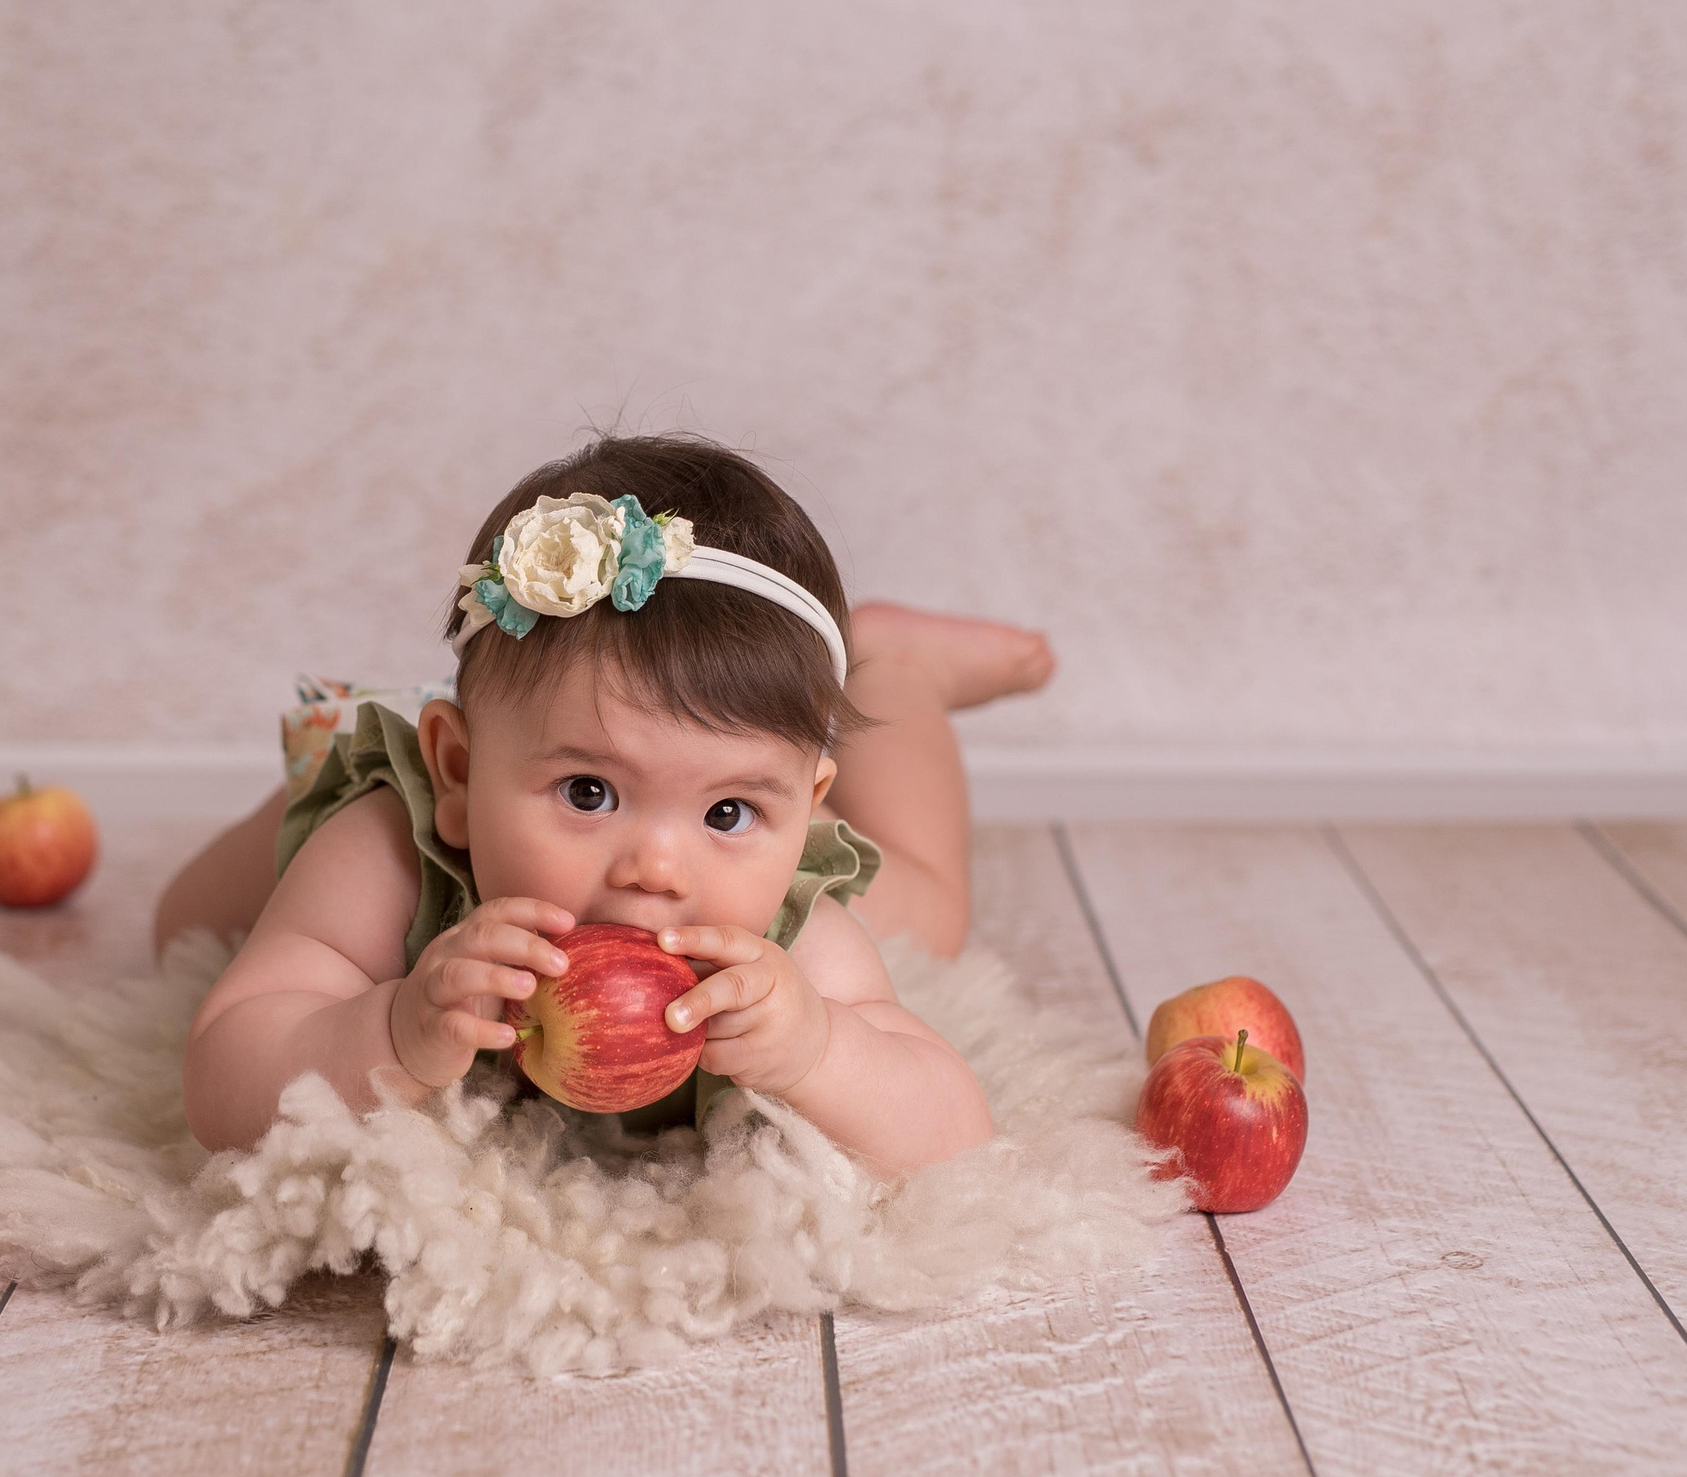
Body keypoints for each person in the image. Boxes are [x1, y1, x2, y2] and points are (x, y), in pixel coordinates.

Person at [156, 434, 1052, 1177]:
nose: (657, 869)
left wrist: (820, 1051)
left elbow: (955, 1135)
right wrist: (383, 1025)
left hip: (624, 768)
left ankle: (894, 667)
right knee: (184, 926)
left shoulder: (777, 931)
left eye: (731, 812)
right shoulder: (392, 852)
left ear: (803, 808)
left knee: (926, 912)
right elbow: (221, 1081)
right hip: (413, 803)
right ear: (458, 772)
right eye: (590, 792)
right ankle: (365, 768)